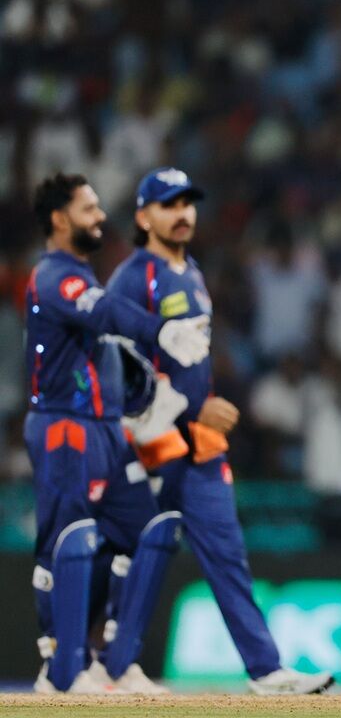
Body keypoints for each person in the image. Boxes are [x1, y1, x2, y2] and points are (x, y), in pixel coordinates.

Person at [106, 167, 334, 695]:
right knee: (141, 550)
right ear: (143, 216)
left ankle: (265, 670)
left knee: (227, 552)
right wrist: (186, 410)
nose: (182, 213)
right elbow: (116, 365)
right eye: (168, 204)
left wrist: (201, 409)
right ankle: (113, 666)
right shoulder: (132, 277)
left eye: (187, 203)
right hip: (151, 439)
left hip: (197, 441)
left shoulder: (190, 271)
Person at [24, 172, 210, 693]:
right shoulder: (53, 276)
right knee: (68, 540)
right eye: (88, 208)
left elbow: (103, 341)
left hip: (106, 429)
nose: (101, 216)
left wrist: (146, 397)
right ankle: (61, 669)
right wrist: (161, 330)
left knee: (150, 530)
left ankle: (117, 661)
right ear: (60, 218)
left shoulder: (82, 277)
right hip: (64, 425)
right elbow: (105, 312)